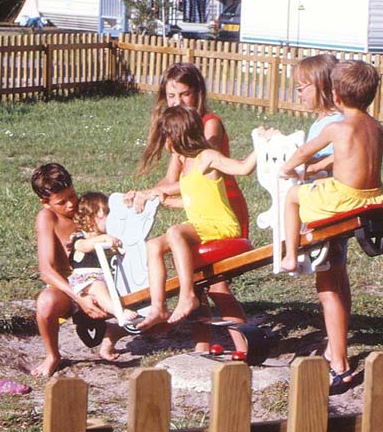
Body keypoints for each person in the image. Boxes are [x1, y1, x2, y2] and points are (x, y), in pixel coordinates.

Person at [127, 62, 249, 352]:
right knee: (196, 278)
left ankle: (244, 345)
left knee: (215, 283)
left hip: (222, 210)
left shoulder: (207, 125)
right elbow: (171, 180)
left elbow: (193, 178)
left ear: (198, 94)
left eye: (184, 95)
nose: (178, 102)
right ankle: (202, 345)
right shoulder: (179, 129)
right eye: (171, 96)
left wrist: (152, 192)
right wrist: (147, 195)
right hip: (198, 213)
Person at [279, 60, 383, 386]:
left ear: (336, 95)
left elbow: (303, 153)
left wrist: (289, 168)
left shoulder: (334, 126)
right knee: (339, 279)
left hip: (345, 198)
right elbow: (349, 157)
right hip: (374, 198)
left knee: (293, 198)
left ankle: (288, 253)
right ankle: (336, 347)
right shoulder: (375, 125)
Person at [134, 105, 258, 330]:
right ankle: (158, 307)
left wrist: (262, 145)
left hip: (222, 227)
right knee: (153, 245)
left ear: (174, 139)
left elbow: (243, 168)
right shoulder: (187, 165)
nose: (166, 145)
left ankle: (187, 295)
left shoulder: (207, 157)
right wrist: (166, 200)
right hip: (202, 225)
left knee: (175, 232)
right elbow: (196, 200)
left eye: (166, 139)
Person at [30, 163, 123, 377]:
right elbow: (46, 270)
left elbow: (115, 214)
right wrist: (79, 298)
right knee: (45, 302)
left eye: (72, 195)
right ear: (45, 203)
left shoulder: (85, 207)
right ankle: (53, 355)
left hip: (98, 282)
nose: (71, 204)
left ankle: (113, 331)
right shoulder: (48, 218)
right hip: (68, 289)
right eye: (62, 202)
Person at [69, 191, 140, 357]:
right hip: (85, 280)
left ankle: (112, 335)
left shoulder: (107, 237)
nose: (110, 218)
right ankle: (119, 313)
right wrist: (102, 239)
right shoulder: (80, 236)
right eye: (106, 213)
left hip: (105, 278)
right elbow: (83, 246)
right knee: (99, 288)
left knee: (110, 289)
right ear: (91, 216)